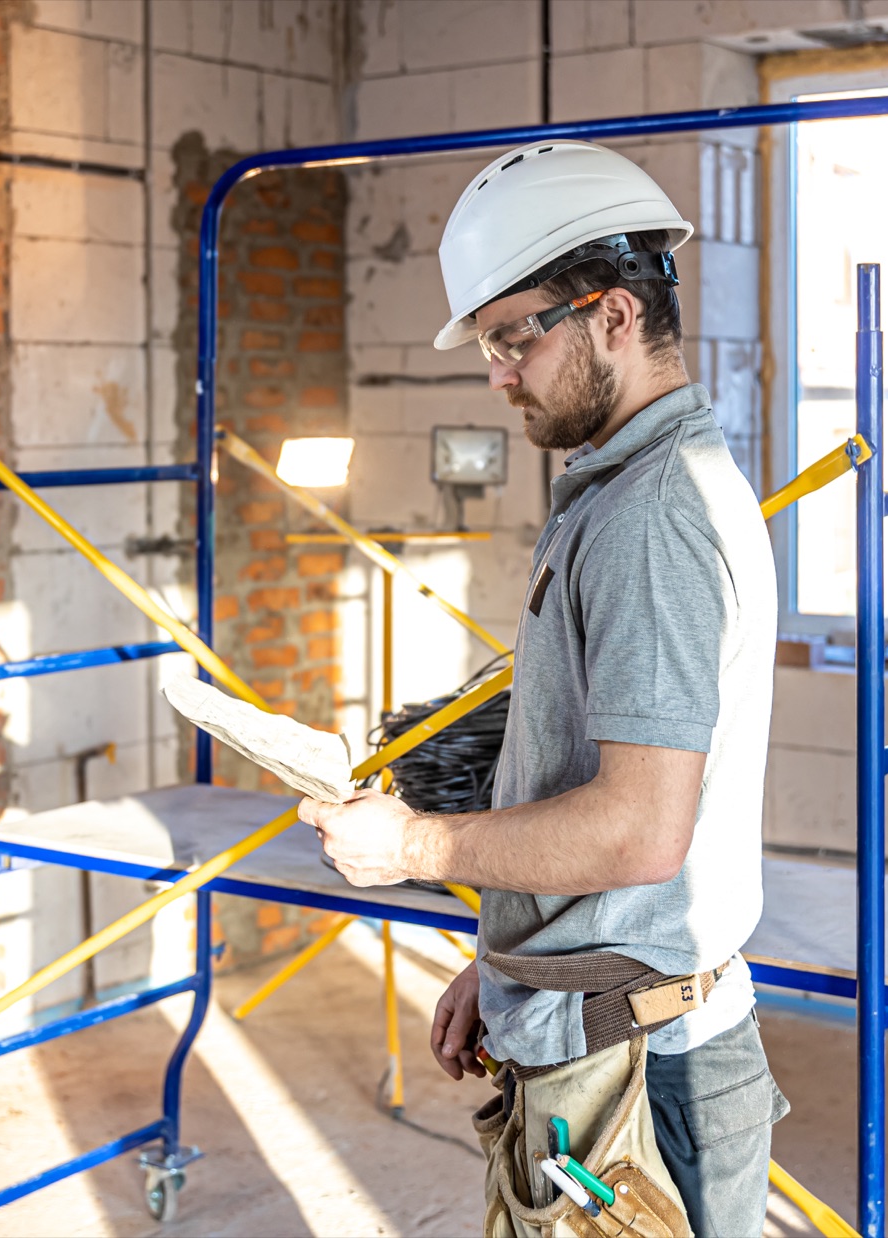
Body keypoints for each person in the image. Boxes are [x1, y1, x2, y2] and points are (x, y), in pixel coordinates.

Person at [300, 141, 785, 1236]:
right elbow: (565, 763)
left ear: (612, 316)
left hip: (643, 1073)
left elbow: (638, 828)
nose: (497, 373)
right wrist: (511, 959)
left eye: (513, 337)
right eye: (487, 344)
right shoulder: (617, 489)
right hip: (597, 1019)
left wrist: (417, 846)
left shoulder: (652, 517)